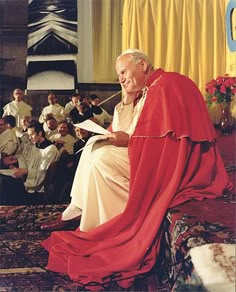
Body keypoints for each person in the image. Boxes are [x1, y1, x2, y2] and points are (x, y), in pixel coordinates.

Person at [41, 49, 233, 289]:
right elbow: (139, 131)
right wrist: (125, 105)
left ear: (142, 65)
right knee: (94, 148)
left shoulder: (167, 84)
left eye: (123, 71)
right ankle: (82, 214)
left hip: (174, 164)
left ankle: (109, 221)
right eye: (118, 75)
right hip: (150, 154)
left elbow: (162, 140)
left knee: (101, 156)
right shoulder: (146, 91)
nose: (121, 78)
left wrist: (128, 140)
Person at [0, 120, 59, 205]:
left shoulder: (50, 150)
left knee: (3, 181)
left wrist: (24, 171)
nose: (30, 137)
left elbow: (43, 172)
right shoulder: (36, 146)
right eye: (29, 135)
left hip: (35, 190)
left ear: (40, 133)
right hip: (26, 179)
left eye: (32, 134)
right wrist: (16, 161)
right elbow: (30, 163)